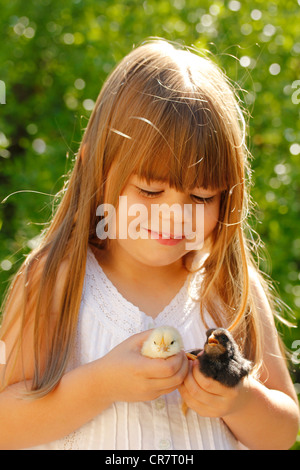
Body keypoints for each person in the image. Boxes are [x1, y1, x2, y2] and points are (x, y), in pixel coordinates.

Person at [0, 39, 298, 450]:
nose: (175, 216)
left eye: (200, 197)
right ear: (97, 170)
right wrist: (100, 385)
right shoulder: (55, 281)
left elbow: (282, 434)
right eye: (151, 190)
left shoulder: (227, 285)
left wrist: (241, 399)